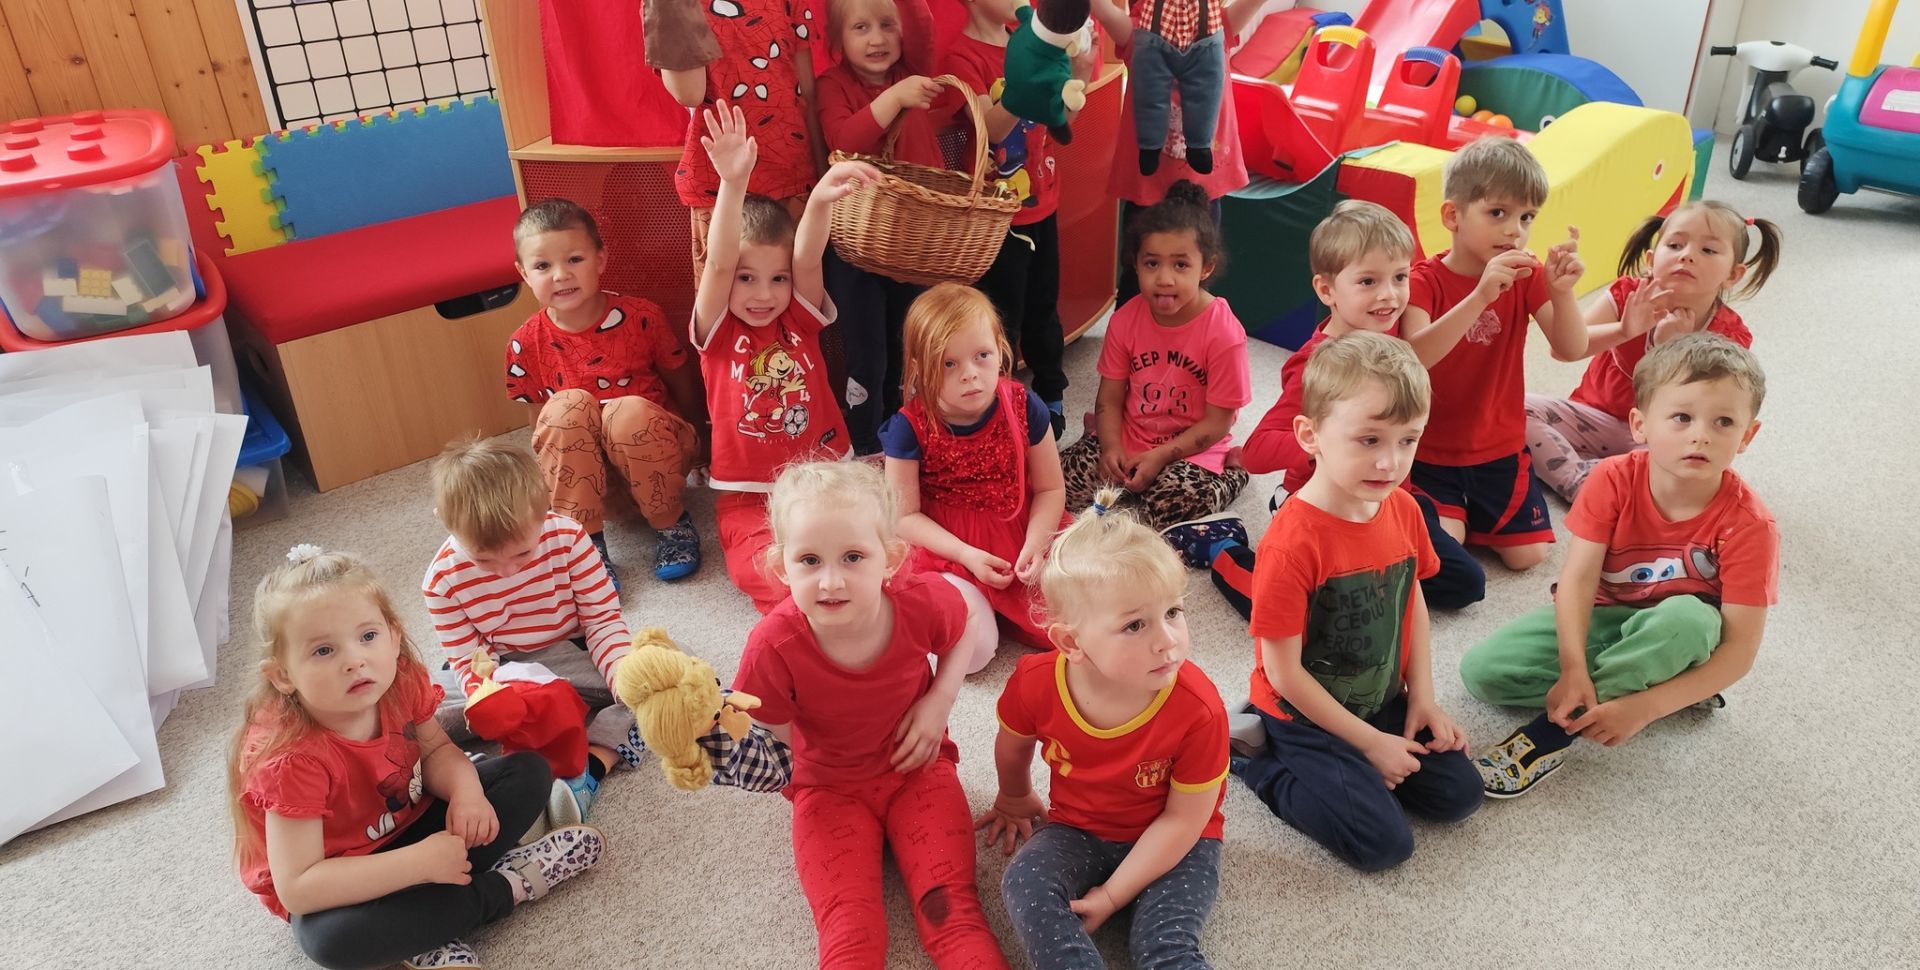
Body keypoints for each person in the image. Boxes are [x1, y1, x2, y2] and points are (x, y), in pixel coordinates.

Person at [231, 545, 603, 970]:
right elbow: (299, 887)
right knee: (330, 942)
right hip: (342, 877)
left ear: (393, 636)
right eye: (323, 651)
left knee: (529, 771)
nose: (355, 661)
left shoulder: (399, 681)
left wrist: (466, 793)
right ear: (282, 675)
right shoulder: (289, 758)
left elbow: (437, 751)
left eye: (367, 637)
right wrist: (418, 864)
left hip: (415, 824)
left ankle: (419, 926)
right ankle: (508, 885)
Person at [1463, 334, 1777, 798]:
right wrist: (1573, 668)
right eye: (1682, 417)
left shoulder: (1751, 525)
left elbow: (1739, 651)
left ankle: (1553, 734)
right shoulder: (1611, 479)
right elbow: (1578, 580)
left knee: (1686, 620)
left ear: (1747, 435)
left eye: (1724, 421)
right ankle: (1671, 680)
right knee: (1483, 672)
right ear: (1640, 424)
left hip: (1681, 629)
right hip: (1607, 613)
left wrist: (1646, 708)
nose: (1701, 435)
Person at [732, 461, 1010, 970]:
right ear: (781, 567)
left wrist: (938, 703)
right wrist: (716, 744)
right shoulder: (772, 645)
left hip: (918, 770)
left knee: (953, 911)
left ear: (892, 558)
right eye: (809, 560)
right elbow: (766, 748)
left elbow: (966, 620)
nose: (831, 580)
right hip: (827, 790)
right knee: (848, 928)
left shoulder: (919, 601)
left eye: (853, 556)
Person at [1232, 332, 1483, 871]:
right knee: (1382, 846)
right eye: (1369, 439)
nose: (1390, 463)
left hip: (1380, 698)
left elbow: (1412, 598)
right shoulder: (1291, 543)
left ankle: (1364, 758)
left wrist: (1423, 699)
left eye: (1408, 440)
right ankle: (1252, 758)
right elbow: (1282, 673)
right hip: (1302, 714)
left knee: (1460, 795)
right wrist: (1370, 744)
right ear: (1310, 435)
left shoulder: (1404, 509)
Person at [978, 488, 1230, 969]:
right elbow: (1013, 743)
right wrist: (1013, 795)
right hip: (1080, 830)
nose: (1168, 642)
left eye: (1173, 612)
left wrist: (1114, 895)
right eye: (1135, 625)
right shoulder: (1036, 681)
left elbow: (1183, 820)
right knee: (1023, 881)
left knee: (1165, 944)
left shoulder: (1200, 709)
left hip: (1180, 842)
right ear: (1071, 642)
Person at [1210, 201, 1486, 619]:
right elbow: (1259, 450)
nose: (1388, 294)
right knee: (1317, 613)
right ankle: (1227, 554)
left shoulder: (1388, 332)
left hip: (1383, 495)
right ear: (1326, 291)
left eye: (1399, 277)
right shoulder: (1315, 364)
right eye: (1368, 281)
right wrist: (1330, 443)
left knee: (1466, 583)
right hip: (1320, 505)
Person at [691, 101, 868, 612]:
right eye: (747, 279)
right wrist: (732, 182)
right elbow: (720, 262)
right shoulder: (717, 328)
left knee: (865, 554)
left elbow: (807, 257)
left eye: (777, 279)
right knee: (770, 573)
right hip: (749, 495)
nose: (764, 294)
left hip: (823, 478)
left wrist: (820, 198)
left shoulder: (798, 317)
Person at [422, 438, 643, 824]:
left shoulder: (569, 539)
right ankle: (475, 773)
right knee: (411, 718)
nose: (507, 571)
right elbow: (466, 658)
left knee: (662, 680)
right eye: (484, 560)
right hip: (503, 668)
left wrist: (622, 675)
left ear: (545, 509)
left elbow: (602, 621)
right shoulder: (441, 580)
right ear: (445, 520)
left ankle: (593, 765)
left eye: (523, 553)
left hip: (573, 653)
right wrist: (486, 699)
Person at [1398, 135, 1587, 573]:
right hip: (1430, 450)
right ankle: (1456, 516)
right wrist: (1480, 296)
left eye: (1526, 217)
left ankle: (1480, 512)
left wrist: (1562, 293)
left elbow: (1571, 348)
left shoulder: (1526, 274)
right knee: (1446, 547)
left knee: (1528, 555)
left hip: (1499, 448)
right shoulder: (1423, 280)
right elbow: (1411, 360)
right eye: (1497, 213)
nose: (1514, 230)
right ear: (1453, 216)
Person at [1524, 200, 1782, 500]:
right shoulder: (1627, 294)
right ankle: (1579, 480)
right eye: (1674, 245)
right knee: (1517, 409)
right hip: (1593, 418)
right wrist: (1624, 330)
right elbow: (1563, 350)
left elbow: (1705, 411)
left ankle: (1612, 478)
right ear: (1651, 258)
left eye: (1708, 250)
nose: (1687, 255)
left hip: (1662, 436)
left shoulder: (1730, 335)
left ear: (1732, 275)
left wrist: (1672, 349)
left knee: (1696, 471)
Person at [507, 199, 705, 585]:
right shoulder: (524, 343)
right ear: (524, 274)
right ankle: (584, 546)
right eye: (543, 266)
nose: (561, 275)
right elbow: (540, 427)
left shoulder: (642, 316)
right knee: (565, 408)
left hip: (660, 464)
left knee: (627, 412)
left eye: (574, 259)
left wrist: (704, 441)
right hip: (593, 487)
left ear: (600, 259)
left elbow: (681, 380)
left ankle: (673, 526)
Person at [1057, 180, 1253, 561]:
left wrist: (1161, 456)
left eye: (1180, 264)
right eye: (1152, 263)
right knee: (1059, 482)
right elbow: (1109, 398)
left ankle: (1234, 473)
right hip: (1132, 434)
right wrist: (1111, 447)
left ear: (1206, 267)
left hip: (1191, 449)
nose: (1164, 278)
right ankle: (1128, 473)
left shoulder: (1224, 333)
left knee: (1169, 508)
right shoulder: (1125, 320)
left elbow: (1217, 422)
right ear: (1135, 265)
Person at [882, 283, 1068, 664]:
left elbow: (1050, 489)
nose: (970, 374)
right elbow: (902, 517)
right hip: (947, 550)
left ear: (1000, 348)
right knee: (973, 652)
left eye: (982, 356)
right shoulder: (908, 427)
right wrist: (966, 556)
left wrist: (1036, 545)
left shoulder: (1024, 405)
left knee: (1085, 614)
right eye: (948, 364)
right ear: (919, 367)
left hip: (1024, 531)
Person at [942, 0, 1091, 438]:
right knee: (1000, 317)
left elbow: (1061, 116)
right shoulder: (963, 56)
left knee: (1044, 305)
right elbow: (988, 128)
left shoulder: (1028, 39)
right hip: (997, 216)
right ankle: (997, 400)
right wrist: (1022, 89)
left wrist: (1078, 76)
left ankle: (1051, 390)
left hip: (1043, 199)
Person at [815, 0, 954, 452]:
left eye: (887, 26)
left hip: (913, 244)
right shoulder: (833, 84)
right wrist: (894, 98)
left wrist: (902, 88)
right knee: (867, 356)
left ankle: (903, 435)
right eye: (860, 28)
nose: (877, 39)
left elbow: (922, 26)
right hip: (856, 247)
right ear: (838, 40)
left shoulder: (911, 72)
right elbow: (844, 140)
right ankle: (865, 444)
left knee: (907, 348)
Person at [660, 0, 823, 282]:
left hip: (793, 175)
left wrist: (822, 175)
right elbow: (690, 93)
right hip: (718, 183)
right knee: (724, 300)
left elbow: (807, 93)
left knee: (798, 296)